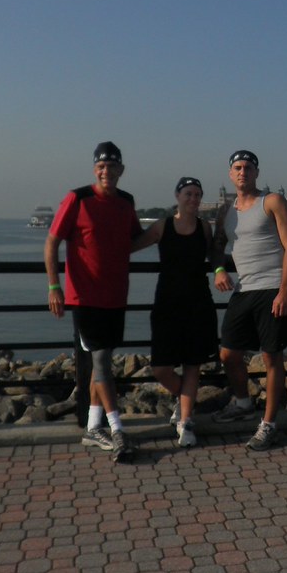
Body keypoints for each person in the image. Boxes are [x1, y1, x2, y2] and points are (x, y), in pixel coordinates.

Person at [45, 141, 143, 459]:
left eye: (112, 166)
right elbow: (52, 243)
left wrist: (164, 232)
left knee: (101, 364)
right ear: (94, 169)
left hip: (116, 296)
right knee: (101, 363)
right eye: (101, 166)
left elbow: (128, 242)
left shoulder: (126, 202)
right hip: (84, 298)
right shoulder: (78, 198)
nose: (107, 172)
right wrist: (53, 287)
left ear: (121, 170)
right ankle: (117, 430)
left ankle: (92, 426)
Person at [211, 150, 287, 451]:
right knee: (228, 354)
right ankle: (244, 402)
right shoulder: (226, 209)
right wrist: (220, 268)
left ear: (257, 173)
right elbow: (217, 246)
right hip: (243, 289)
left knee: (272, 357)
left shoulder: (272, 201)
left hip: (272, 287)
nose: (243, 172)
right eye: (237, 167)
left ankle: (269, 424)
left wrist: (285, 290)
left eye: (248, 167)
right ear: (230, 173)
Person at [131, 177, 218, 448]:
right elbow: (130, 246)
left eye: (197, 195)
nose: (193, 199)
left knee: (193, 364)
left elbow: (215, 254)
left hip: (198, 303)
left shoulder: (204, 227)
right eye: (188, 194)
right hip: (167, 304)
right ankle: (184, 403)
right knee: (160, 368)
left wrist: (220, 270)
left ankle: (186, 420)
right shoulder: (162, 226)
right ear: (177, 196)